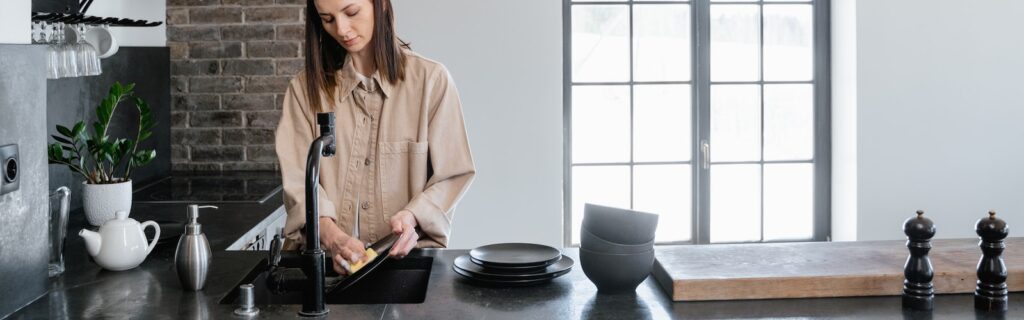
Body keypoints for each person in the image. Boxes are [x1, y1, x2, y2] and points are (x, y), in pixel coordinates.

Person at [275, 0, 475, 275]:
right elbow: (299, 181)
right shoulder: (304, 90)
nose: (342, 29)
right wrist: (334, 239)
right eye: (328, 19)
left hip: (406, 269)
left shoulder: (432, 82)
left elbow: (452, 174)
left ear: (380, 4)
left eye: (351, 12)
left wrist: (413, 215)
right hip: (321, 269)